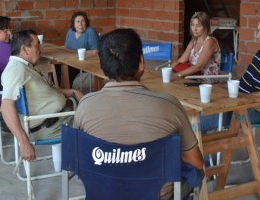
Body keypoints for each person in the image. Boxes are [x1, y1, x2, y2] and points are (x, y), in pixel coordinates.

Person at [74, 28, 204, 199]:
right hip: (158, 195)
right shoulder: (169, 105)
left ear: (103, 66)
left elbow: (79, 163)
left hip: (104, 193)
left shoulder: (84, 106)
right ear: (141, 62)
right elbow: (197, 162)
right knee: (194, 176)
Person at [1, 29, 83, 161]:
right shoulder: (15, 69)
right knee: (98, 125)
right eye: (37, 45)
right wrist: (24, 143)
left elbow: (49, 89)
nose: (41, 49)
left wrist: (73, 92)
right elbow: (6, 107)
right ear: (25, 49)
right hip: (54, 126)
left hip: (60, 119)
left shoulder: (25, 66)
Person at [171, 11, 221, 81]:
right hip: (193, 76)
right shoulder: (193, 41)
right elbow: (181, 61)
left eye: (198, 26)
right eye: (193, 25)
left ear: (205, 27)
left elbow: (199, 67)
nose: (195, 29)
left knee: (176, 81)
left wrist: (177, 75)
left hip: (206, 80)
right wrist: (168, 71)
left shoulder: (210, 41)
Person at [64, 11, 100, 93]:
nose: (80, 24)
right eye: (78, 21)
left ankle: (68, 91)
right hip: (71, 60)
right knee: (57, 67)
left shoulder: (90, 31)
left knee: (67, 70)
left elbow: (96, 51)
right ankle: (61, 90)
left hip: (85, 62)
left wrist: (80, 53)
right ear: (73, 24)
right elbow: (66, 48)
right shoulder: (70, 32)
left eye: (83, 21)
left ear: (86, 22)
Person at [239, 21, 260, 124]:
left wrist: (241, 99)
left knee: (197, 121)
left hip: (254, 108)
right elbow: (245, 82)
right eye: (258, 31)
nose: (257, 36)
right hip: (239, 101)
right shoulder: (259, 53)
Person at [0, 16, 12, 95]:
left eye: (8, 29)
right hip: (6, 93)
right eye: (5, 29)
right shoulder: (4, 46)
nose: (9, 32)